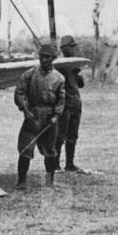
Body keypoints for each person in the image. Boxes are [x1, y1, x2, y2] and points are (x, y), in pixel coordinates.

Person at [14, 42, 66, 188]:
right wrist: (26, 111)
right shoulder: (29, 74)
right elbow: (19, 93)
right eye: (42, 57)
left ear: (53, 58)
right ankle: (21, 181)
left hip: (50, 118)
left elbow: (61, 100)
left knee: (50, 151)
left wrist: (56, 116)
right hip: (32, 115)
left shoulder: (59, 78)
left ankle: (49, 182)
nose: (44, 60)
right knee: (25, 149)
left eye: (48, 57)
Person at [56, 35, 85, 172]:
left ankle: (69, 164)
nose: (74, 49)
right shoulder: (59, 65)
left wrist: (77, 74)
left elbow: (81, 84)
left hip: (75, 103)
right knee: (60, 135)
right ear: (64, 48)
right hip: (65, 105)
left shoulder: (74, 64)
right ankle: (55, 164)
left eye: (74, 47)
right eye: (71, 47)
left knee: (73, 135)